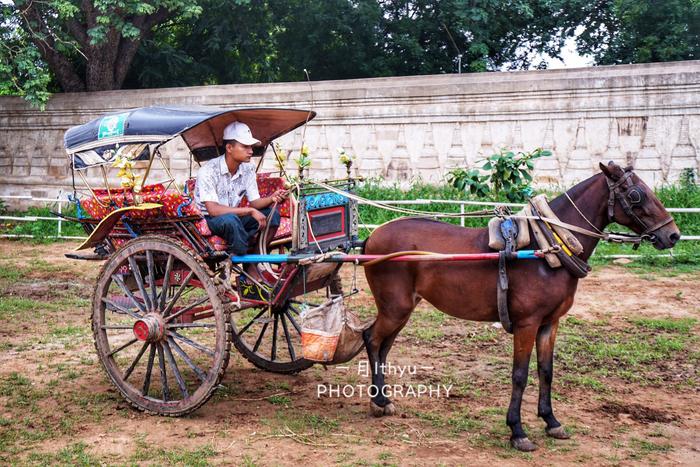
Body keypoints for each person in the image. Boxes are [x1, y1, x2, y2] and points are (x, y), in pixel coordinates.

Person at [194, 121, 288, 258]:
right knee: (232, 221)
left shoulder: (248, 168)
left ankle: (254, 264)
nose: (251, 151)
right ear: (229, 148)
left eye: (250, 146)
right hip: (212, 219)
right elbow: (213, 210)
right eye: (245, 146)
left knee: (271, 215)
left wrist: (272, 198)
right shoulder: (208, 171)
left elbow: (255, 202)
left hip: (235, 216)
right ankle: (236, 258)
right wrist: (249, 211)